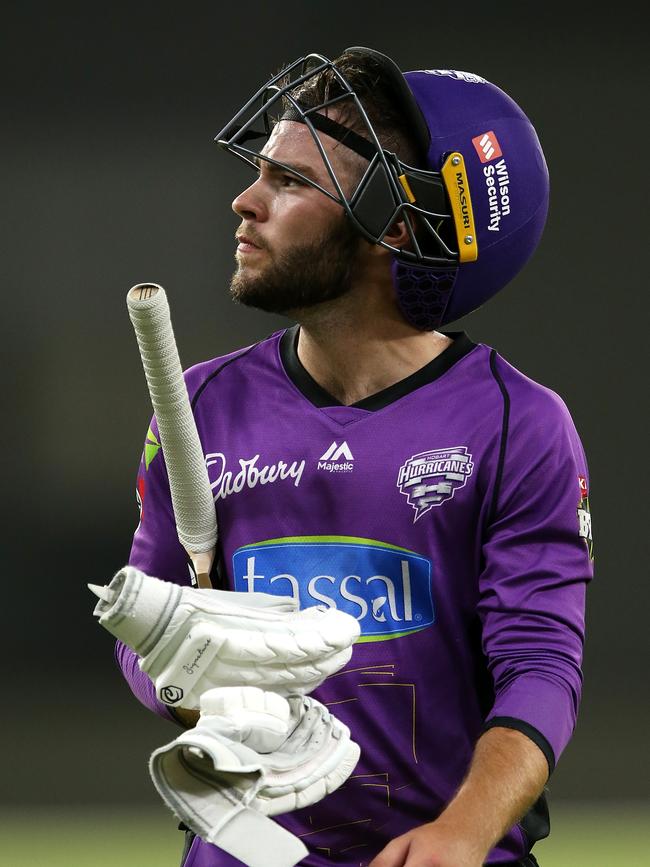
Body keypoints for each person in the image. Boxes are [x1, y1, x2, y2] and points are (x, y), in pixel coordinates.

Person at [115, 47, 593, 867]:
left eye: (291, 182)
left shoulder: (521, 424)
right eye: (260, 171)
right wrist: (185, 679)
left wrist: (462, 832)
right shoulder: (196, 406)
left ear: (397, 227)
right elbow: (141, 625)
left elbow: (541, 665)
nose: (245, 200)